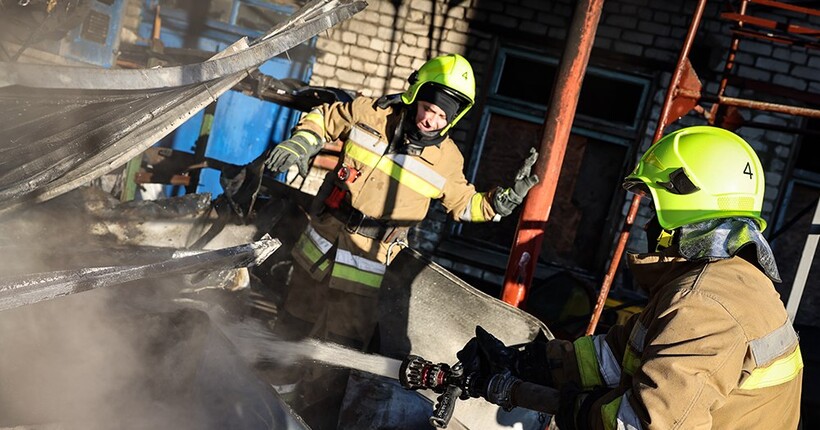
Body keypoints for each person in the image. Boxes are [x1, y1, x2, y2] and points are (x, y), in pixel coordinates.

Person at [454, 125, 803, 429]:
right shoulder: (722, 281)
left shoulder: (706, 303)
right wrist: (526, 362)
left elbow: (646, 426)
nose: (648, 223)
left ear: (687, 210)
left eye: (655, 207)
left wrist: (576, 410)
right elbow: (617, 355)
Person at [262, 53, 539, 427]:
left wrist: (500, 201)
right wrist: (302, 143)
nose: (430, 120)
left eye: (442, 117)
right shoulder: (372, 112)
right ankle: (266, 399)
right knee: (292, 322)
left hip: (368, 265)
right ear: (414, 95)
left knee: (338, 350)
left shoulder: (447, 160)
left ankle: (309, 417)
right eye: (428, 108)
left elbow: (465, 204)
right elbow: (325, 117)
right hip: (321, 244)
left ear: (453, 119)